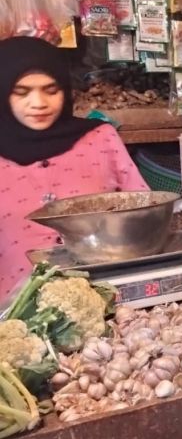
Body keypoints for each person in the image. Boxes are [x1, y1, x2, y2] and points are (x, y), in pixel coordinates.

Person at [0, 36, 149, 300]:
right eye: (21, 92)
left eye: (51, 89)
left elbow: (145, 212)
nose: (39, 103)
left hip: (108, 301)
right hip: (14, 314)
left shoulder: (100, 139)